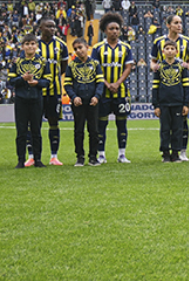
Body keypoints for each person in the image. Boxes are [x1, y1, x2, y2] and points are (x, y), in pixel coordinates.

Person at [150, 13, 189, 161]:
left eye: (180, 22)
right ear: (168, 25)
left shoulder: (187, 41)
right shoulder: (158, 41)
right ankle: (166, 152)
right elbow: (153, 62)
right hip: (165, 87)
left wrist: (186, 66)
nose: (179, 25)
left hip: (179, 86)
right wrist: (155, 67)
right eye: (176, 23)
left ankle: (181, 150)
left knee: (182, 122)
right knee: (165, 127)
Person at [92, 11, 135, 165]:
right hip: (102, 92)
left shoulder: (125, 47)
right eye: (111, 28)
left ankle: (122, 154)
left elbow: (128, 67)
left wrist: (117, 83)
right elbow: (95, 69)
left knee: (122, 123)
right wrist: (106, 83)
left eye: (117, 28)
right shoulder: (97, 48)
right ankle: (101, 154)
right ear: (105, 30)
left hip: (121, 92)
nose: (115, 31)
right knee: (101, 124)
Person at [64, 38, 105, 167]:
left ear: (87, 47)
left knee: (94, 130)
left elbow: (100, 82)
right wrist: (73, 97)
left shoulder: (95, 63)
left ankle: (93, 157)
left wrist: (97, 96)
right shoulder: (71, 65)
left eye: (80, 47)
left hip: (93, 102)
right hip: (78, 103)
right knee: (78, 130)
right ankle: (80, 157)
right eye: (75, 49)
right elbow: (67, 84)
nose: (78, 51)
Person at [10, 33, 48, 168]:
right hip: (21, 100)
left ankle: (37, 159)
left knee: (36, 131)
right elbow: (11, 80)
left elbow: (48, 81)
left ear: (36, 46)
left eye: (32, 44)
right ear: (22, 46)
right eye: (27, 44)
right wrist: (22, 79)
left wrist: (37, 83)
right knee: (21, 131)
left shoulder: (42, 61)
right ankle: (20, 160)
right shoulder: (17, 62)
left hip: (36, 99)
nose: (30, 46)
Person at [36, 16, 69, 166]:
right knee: (34, 123)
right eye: (49, 26)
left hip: (54, 90)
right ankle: (33, 156)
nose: (52, 29)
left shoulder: (61, 45)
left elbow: (63, 67)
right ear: (41, 28)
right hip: (35, 92)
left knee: (53, 122)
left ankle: (54, 156)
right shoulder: (33, 44)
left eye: (54, 26)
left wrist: (52, 78)